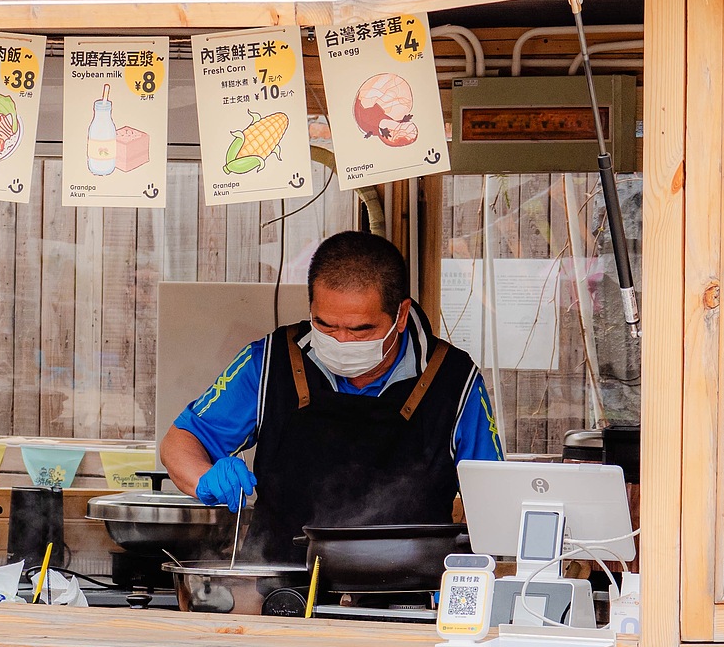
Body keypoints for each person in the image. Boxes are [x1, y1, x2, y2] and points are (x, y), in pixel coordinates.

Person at [160, 231, 502, 561]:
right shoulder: (269, 362)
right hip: (280, 586)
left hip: (408, 594)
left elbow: (492, 497)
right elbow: (182, 440)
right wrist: (205, 479)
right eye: (326, 325)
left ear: (400, 315)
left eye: (360, 329)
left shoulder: (455, 380)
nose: (342, 341)